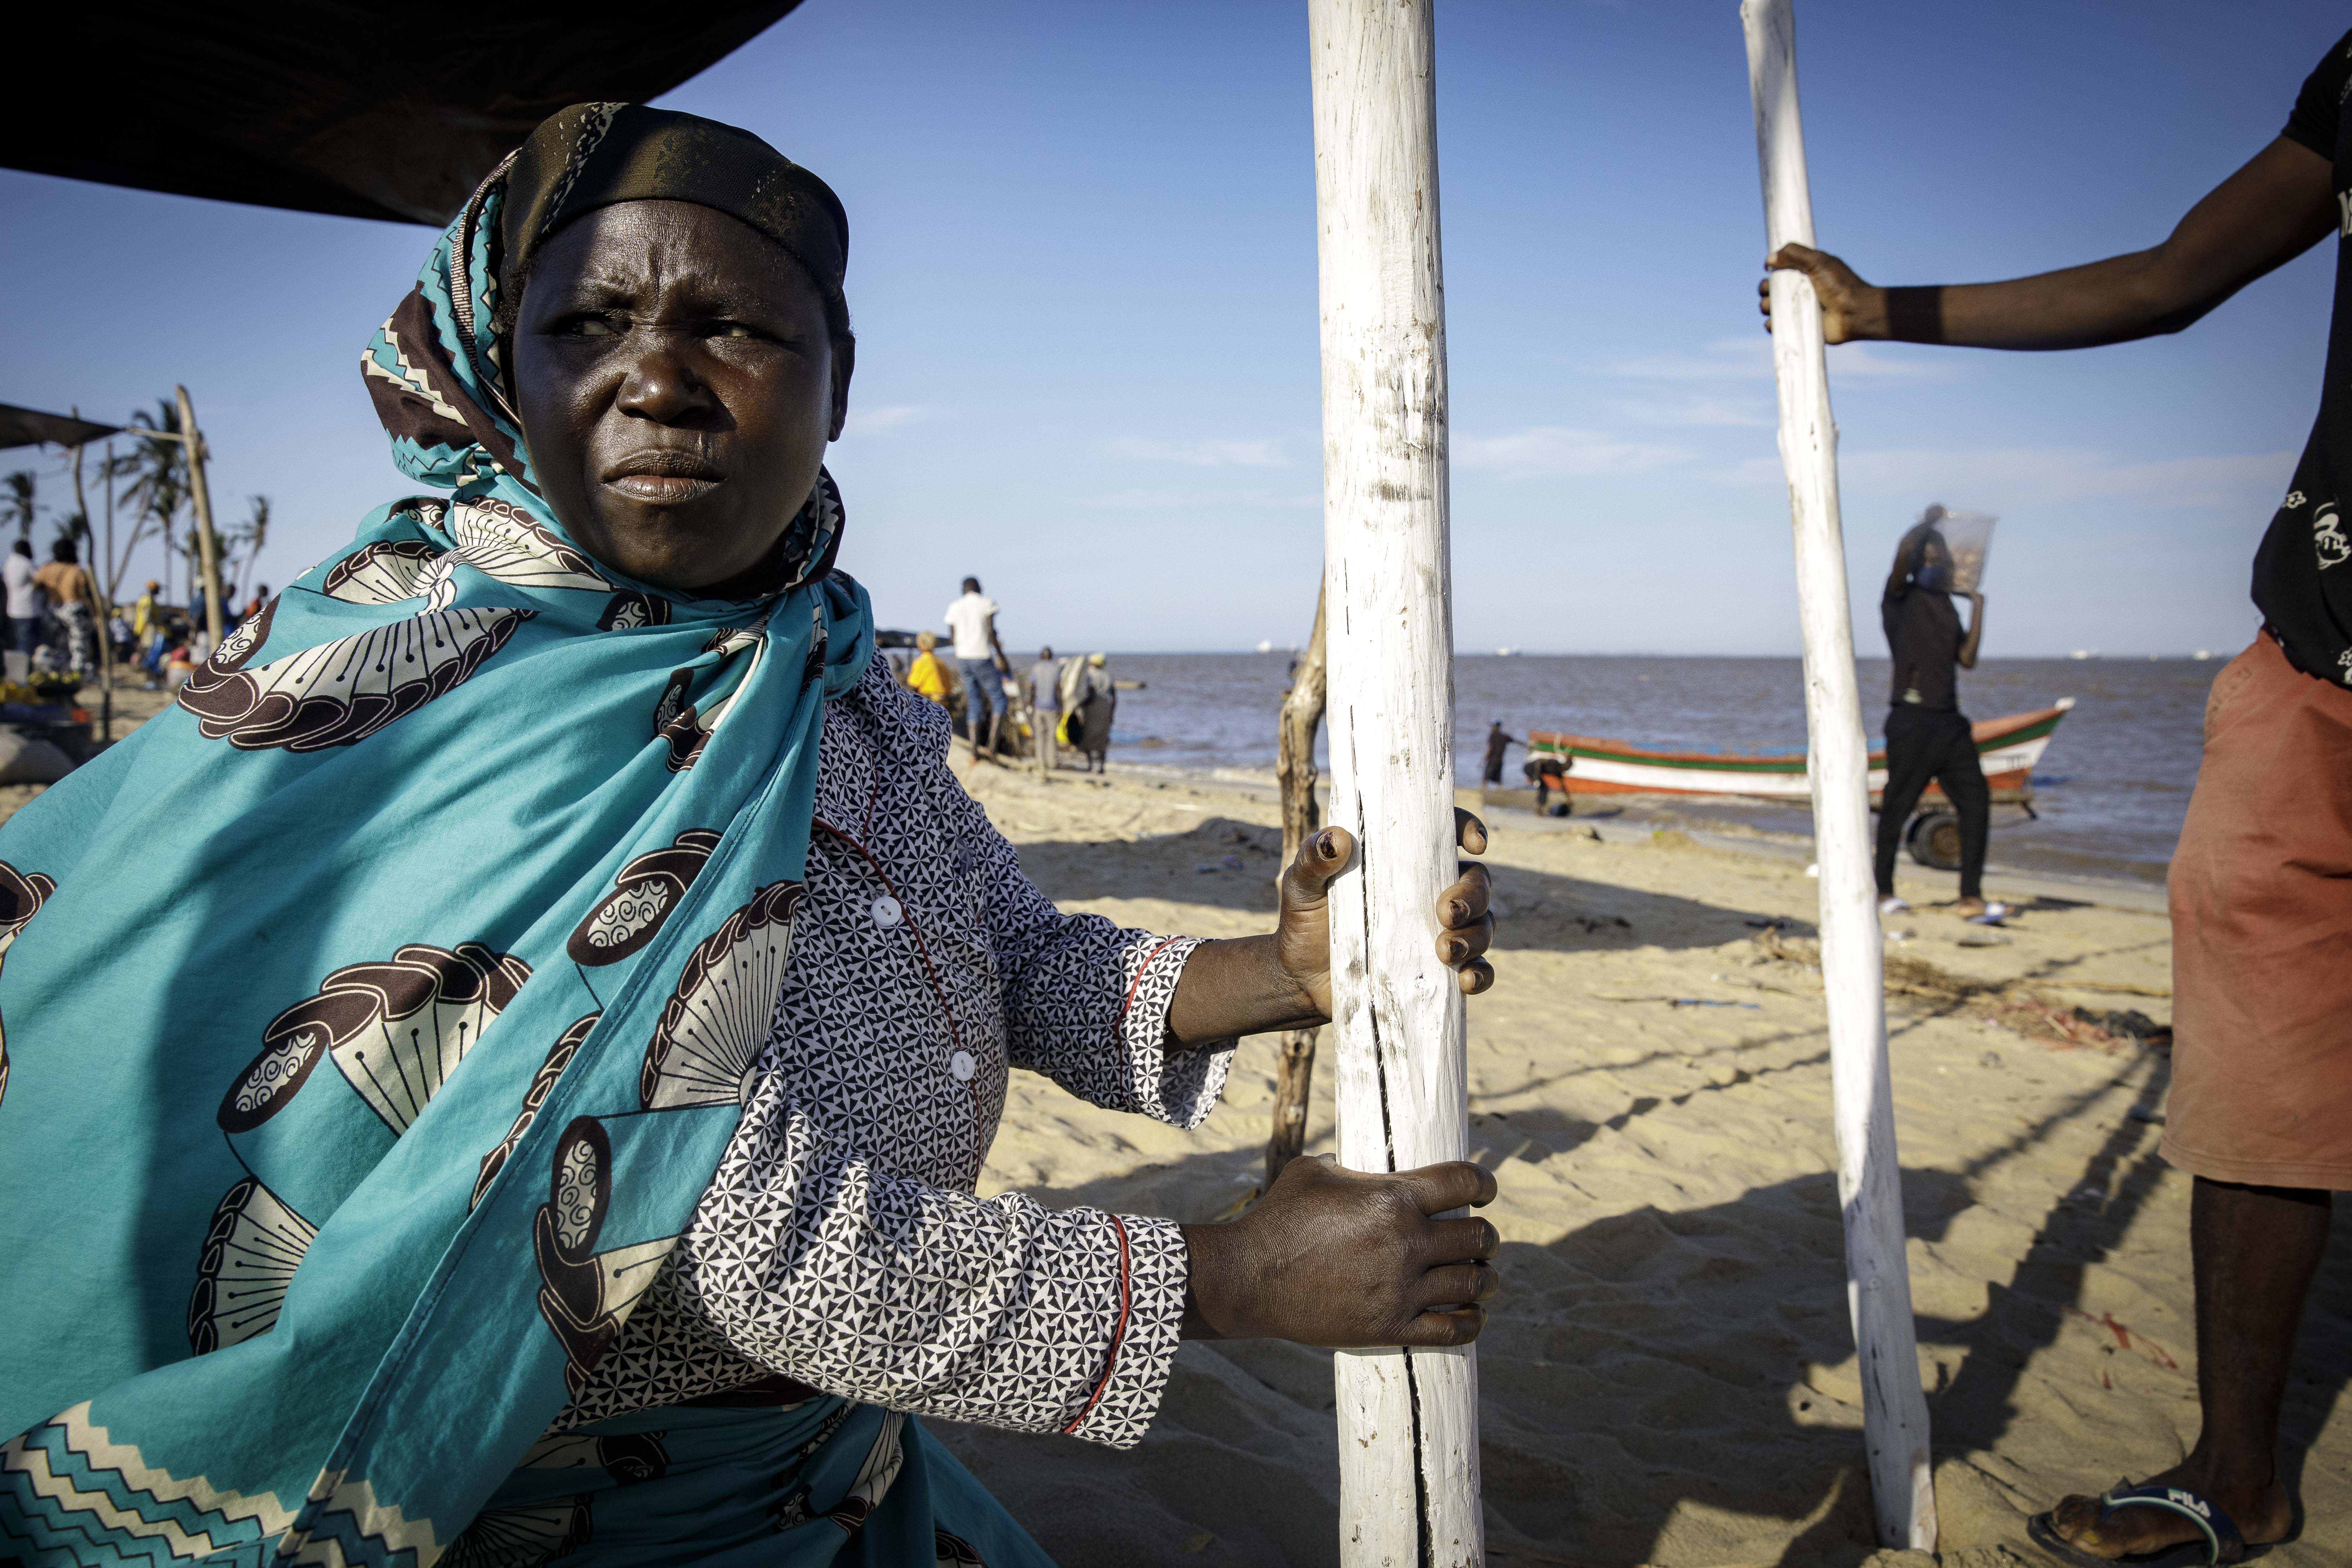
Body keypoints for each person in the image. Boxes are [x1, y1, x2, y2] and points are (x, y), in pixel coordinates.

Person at [0, 104, 1505, 1568]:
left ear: (836, 383)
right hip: (585, 1506)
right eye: (587, 327)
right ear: (498, 379)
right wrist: (1232, 1276)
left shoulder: (824, 671)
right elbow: (730, 1238)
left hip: (836, 1467)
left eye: (735, 328)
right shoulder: (445, 695)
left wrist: (1277, 964)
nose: (656, 378)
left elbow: (1010, 950)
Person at [1763, 34, 2352, 1561]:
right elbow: (2172, 275)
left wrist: (1971, 609)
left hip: (1984, 712)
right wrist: (1874, 311)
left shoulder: (1935, 612)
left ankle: (1944, 879)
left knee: (1945, 792)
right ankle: (2237, 1473)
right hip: (2312, 661)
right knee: (2260, 1091)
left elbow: (1962, 647)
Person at [1873, 508, 2001, 922]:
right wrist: (1927, 526)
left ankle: (1970, 896)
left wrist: (1978, 606)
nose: (1931, 563)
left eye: (1937, 557)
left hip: (1949, 722)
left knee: (1977, 802)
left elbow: (1966, 659)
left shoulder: (1947, 605)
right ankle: (1883, 891)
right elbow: (1902, 557)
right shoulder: (1899, 598)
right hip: (1910, 720)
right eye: (1924, 557)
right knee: (1897, 806)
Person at [944, 574, 1007, 764]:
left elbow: (953, 639)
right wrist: (1002, 656)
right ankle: (992, 749)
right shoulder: (987, 603)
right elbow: (991, 633)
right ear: (979, 588)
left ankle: (974, 751)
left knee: (974, 701)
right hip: (981, 655)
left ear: (964, 590)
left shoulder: (954, 607)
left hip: (963, 658)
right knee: (999, 699)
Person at [32, 536, 98, 679]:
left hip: (52, 610)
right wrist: (96, 613)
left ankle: (55, 673)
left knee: (57, 645)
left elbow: (36, 588)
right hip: (74, 609)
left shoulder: (46, 569)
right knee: (78, 645)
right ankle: (76, 674)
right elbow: (87, 593)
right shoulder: (77, 571)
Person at [2, 541, 37, 688]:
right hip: (28, 610)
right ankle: (23, 679)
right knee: (26, 646)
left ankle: (14, 677)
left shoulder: (8, 563)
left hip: (12, 609)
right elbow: (39, 580)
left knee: (17, 644)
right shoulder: (27, 564)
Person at [1029, 644, 1060, 770]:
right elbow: (1059, 689)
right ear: (1051, 656)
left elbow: (1033, 687)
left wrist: (1030, 703)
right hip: (1052, 707)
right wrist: (1061, 706)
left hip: (1039, 707)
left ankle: (1041, 763)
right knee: (1052, 736)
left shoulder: (1036, 668)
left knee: (1040, 735)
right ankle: (1052, 764)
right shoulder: (1056, 668)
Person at [905, 627, 952, 706]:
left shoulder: (921, 662)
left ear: (920, 644)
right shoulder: (941, 663)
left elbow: (913, 686)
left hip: (928, 703)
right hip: (944, 704)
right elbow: (949, 688)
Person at [1481, 720, 1520, 788]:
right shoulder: (1504, 736)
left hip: (1492, 759)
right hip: (1500, 760)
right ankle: (1500, 788)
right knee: (1498, 775)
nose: (1492, 728)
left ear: (1496, 727)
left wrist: (1484, 758)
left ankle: (1484, 787)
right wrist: (1526, 745)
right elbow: (1515, 741)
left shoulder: (1493, 736)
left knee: (1487, 775)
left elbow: (1490, 748)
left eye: (1493, 727)